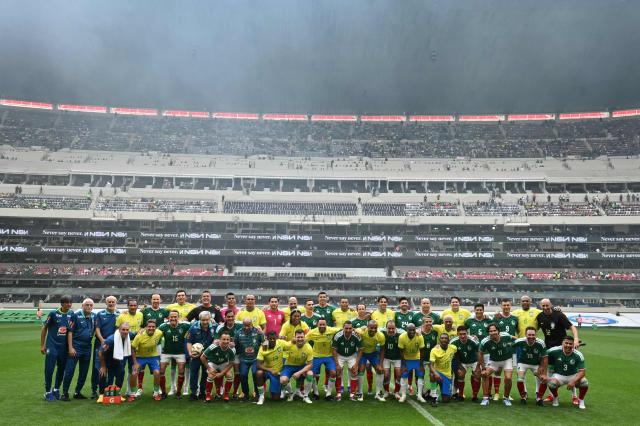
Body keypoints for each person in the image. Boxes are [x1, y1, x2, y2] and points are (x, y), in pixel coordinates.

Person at [540, 336, 588, 410]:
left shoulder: (578, 355)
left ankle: (581, 400)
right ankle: (555, 397)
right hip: (559, 376)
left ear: (573, 345)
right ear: (562, 343)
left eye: (570, 344)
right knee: (551, 383)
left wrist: (573, 381)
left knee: (584, 382)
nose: (568, 345)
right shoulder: (554, 350)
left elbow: (582, 372)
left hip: (573, 375)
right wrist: (543, 372)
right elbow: (544, 356)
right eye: (566, 343)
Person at [61, 298, 95, 401]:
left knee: (84, 372)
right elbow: (70, 332)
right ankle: (65, 393)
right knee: (69, 371)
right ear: (82, 306)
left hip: (87, 347)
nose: (89, 307)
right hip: (76, 347)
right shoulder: (75, 315)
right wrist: (70, 347)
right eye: (87, 305)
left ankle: (77, 392)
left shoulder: (94, 316)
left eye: (90, 305)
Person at [41, 295, 73, 401]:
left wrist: (70, 347)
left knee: (61, 369)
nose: (69, 304)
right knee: (49, 369)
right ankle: (47, 392)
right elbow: (44, 328)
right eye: (67, 302)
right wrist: (42, 345)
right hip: (52, 346)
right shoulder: (53, 313)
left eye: (70, 302)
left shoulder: (71, 314)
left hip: (64, 348)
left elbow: (71, 332)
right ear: (62, 303)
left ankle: (56, 389)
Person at [479, 323, 516, 406]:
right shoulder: (485, 341)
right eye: (490, 331)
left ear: (498, 331)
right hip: (494, 361)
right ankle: (485, 398)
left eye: (494, 330)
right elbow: (480, 353)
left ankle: (506, 398)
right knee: (484, 374)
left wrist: (513, 344)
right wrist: (483, 368)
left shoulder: (505, 336)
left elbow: (515, 339)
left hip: (507, 360)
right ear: (488, 332)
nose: (493, 332)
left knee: (508, 378)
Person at [139, 294, 169, 396]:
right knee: (141, 367)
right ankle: (139, 388)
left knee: (157, 367)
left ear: (160, 300)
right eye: (154, 299)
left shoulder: (164, 311)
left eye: (157, 299)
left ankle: (157, 388)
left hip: (158, 344)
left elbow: (173, 317)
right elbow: (139, 321)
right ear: (151, 300)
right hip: (144, 343)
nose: (156, 301)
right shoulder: (145, 311)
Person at [98, 323, 135, 402]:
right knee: (103, 374)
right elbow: (100, 353)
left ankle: (117, 393)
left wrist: (142, 330)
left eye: (127, 330)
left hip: (117, 359)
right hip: (105, 359)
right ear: (119, 330)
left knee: (121, 373)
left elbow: (137, 333)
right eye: (123, 329)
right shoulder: (110, 340)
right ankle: (101, 394)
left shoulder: (130, 335)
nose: (125, 332)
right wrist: (103, 366)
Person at [157, 310, 191, 398]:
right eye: (171, 317)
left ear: (178, 317)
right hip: (166, 352)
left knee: (181, 371)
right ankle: (164, 392)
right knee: (161, 371)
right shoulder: (163, 326)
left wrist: (211, 322)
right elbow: (154, 332)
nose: (173, 318)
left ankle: (179, 392)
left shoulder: (184, 325)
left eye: (175, 317)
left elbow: (195, 326)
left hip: (180, 353)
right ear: (168, 318)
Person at [306, 318, 341, 400]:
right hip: (316, 356)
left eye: (323, 324)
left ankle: (328, 394)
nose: (322, 326)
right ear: (317, 325)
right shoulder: (312, 332)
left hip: (328, 356)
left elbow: (342, 329)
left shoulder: (331, 330)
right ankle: (316, 393)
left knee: (333, 373)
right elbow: (303, 340)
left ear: (326, 325)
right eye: (320, 324)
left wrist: (357, 330)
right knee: (312, 374)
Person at [91, 295, 118, 399]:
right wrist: (102, 340)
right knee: (97, 367)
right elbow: (97, 329)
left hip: (112, 345)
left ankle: (107, 389)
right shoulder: (100, 314)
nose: (111, 303)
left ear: (116, 303)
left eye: (113, 302)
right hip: (100, 344)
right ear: (106, 303)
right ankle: (94, 390)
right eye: (109, 302)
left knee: (110, 367)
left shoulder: (119, 314)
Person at [115, 299, 143, 398]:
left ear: (137, 306)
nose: (133, 307)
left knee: (133, 370)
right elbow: (116, 331)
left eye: (135, 305)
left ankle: (129, 390)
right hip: (123, 347)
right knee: (120, 370)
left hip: (135, 347)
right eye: (131, 305)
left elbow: (141, 328)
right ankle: (117, 390)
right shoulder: (122, 316)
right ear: (127, 306)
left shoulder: (140, 315)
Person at [513, 327, 547, 405]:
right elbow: (510, 345)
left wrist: (542, 368)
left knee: (544, 379)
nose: (531, 336)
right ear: (525, 335)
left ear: (536, 335)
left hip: (535, 364)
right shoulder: (520, 341)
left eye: (533, 335)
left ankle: (539, 398)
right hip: (522, 363)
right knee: (520, 379)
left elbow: (545, 357)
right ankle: (523, 397)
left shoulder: (541, 343)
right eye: (529, 335)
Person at [131, 320, 163, 401]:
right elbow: (133, 348)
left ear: (156, 327)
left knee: (157, 372)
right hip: (140, 357)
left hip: (153, 356)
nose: (151, 328)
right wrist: (135, 363)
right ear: (146, 327)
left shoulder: (159, 333)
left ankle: (156, 392)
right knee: (134, 372)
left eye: (153, 327)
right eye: (149, 326)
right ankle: (132, 393)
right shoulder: (139, 336)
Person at [186, 311, 216, 401]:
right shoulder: (193, 328)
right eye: (203, 320)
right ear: (200, 320)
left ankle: (203, 392)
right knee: (194, 373)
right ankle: (194, 392)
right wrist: (190, 353)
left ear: (210, 319)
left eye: (207, 320)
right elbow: (189, 342)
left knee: (205, 374)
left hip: (208, 355)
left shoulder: (215, 326)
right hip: (196, 355)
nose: (205, 322)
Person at [280, 329, 314, 404]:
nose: (300, 339)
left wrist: (299, 372)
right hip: (289, 366)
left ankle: (305, 396)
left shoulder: (308, 348)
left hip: (301, 366)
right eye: (298, 337)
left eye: (302, 337)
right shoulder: (289, 345)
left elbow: (310, 364)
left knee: (310, 374)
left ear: (304, 337)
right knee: (283, 380)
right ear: (294, 337)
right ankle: (290, 393)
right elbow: (281, 351)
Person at [214, 309, 243, 398]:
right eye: (228, 317)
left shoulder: (240, 325)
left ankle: (235, 392)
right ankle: (220, 391)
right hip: (224, 354)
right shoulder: (220, 327)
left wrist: (235, 343)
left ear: (234, 317)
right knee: (219, 372)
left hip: (237, 353)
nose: (230, 318)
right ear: (225, 317)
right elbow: (215, 341)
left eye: (232, 316)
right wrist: (225, 343)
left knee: (237, 372)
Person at [332, 321, 363, 402]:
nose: (348, 330)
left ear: (352, 329)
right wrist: (337, 364)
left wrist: (356, 364)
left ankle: (352, 394)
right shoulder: (337, 335)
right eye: (346, 328)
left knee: (354, 372)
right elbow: (334, 350)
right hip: (340, 355)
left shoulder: (356, 336)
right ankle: (338, 394)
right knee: (338, 371)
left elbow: (360, 350)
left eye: (350, 328)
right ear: (343, 328)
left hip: (352, 355)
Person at [355, 320, 385, 401]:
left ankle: (378, 393)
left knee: (380, 370)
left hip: (373, 353)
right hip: (363, 353)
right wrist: (360, 329)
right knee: (361, 370)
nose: (373, 329)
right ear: (367, 327)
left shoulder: (380, 336)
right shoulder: (362, 331)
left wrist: (381, 364)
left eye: (375, 328)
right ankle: (360, 392)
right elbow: (355, 330)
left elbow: (382, 350)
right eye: (371, 328)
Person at [234, 318, 264, 401]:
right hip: (244, 358)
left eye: (248, 325)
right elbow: (235, 345)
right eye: (245, 325)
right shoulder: (238, 332)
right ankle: (245, 394)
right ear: (243, 324)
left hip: (255, 358)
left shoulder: (257, 331)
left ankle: (257, 394)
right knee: (243, 375)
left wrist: (262, 333)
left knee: (255, 374)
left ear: (252, 324)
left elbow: (264, 342)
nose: (247, 327)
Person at [201, 332, 236, 402]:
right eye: (223, 339)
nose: (225, 341)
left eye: (227, 339)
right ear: (220, 340)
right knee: (210, 376)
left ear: (230, 340)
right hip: (212, 363)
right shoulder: (213, 346)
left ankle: (226, 395)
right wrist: (209, 368)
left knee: (229, 375)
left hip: (224, 363)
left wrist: (222, 373)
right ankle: (208, 395)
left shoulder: (232, 349)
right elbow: (202, 357)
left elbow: (231, 363)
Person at [450, 325, 481, 402]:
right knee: (460, 374)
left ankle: (474, 396)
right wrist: (460, 367)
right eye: (460, 334)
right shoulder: (453, 342)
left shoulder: (474, 340)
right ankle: (460, 395)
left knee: (477, 374)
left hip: (474, 361)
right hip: (462, 362)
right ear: (457, 334)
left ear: (467, 333)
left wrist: (478, 367)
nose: (463, 336)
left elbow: (479, 354)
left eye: (464, 334)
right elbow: (454, 357)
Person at [256, 331, 287, 405]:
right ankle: (261, 396)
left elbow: (291, 345)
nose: (272, 340)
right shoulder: (263, 347)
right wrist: (270, 370)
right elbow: (258, 365)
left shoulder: (281, 343)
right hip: (267, 371)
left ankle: (282, 388)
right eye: (270, 339)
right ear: (267, 339)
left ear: (276, 338)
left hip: (276, 373)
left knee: (275, 399)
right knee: (259, 373)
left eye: (274, 339)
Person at [398, 324, 426, 403]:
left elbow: (422, 351)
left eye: (413, 330)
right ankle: (403, 395)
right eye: (410, 330)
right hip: (406, 359)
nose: (412, 332)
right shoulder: (402, 337)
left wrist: (421, 365)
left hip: (417, 359)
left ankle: (419, 395)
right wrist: (403, 365)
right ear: (406, 330)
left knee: (421, 375)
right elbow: (401, 352)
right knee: (403, 376)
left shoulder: (419, 336)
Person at [429, 333, 457, 406]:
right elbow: (431, 365)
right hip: (438, 373)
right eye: (442, 338)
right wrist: (436, 373)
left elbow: (457, 355)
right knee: (432, 374)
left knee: (446, 400)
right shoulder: (434, 350)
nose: (444, 339)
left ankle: (430, 392)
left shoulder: (453, 348)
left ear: (448, 340)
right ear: (439, 340)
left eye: (445, 338)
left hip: (447, 376)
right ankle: (433, 397)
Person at [380, 320, 402, 400]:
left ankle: (396, 392)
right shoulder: (382, 333)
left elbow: (409, 332)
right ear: (386, 328)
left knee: (398, 374)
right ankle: (386, 391)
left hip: (397, 358)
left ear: (395, 328)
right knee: (386, 375)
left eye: (393, 328)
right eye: (389, 328)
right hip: (386, 357)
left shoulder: (401, 334)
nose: (391, 330)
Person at [420, 316, 440, 402]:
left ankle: (433, 393)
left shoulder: (435, 332)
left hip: (432, 359)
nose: (428, 323)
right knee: (420, 374)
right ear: (423, 323)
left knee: (433, 375)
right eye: (426, 322)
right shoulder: (419, 333)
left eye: (430, 321)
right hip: (422, 358)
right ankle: (421, 392)